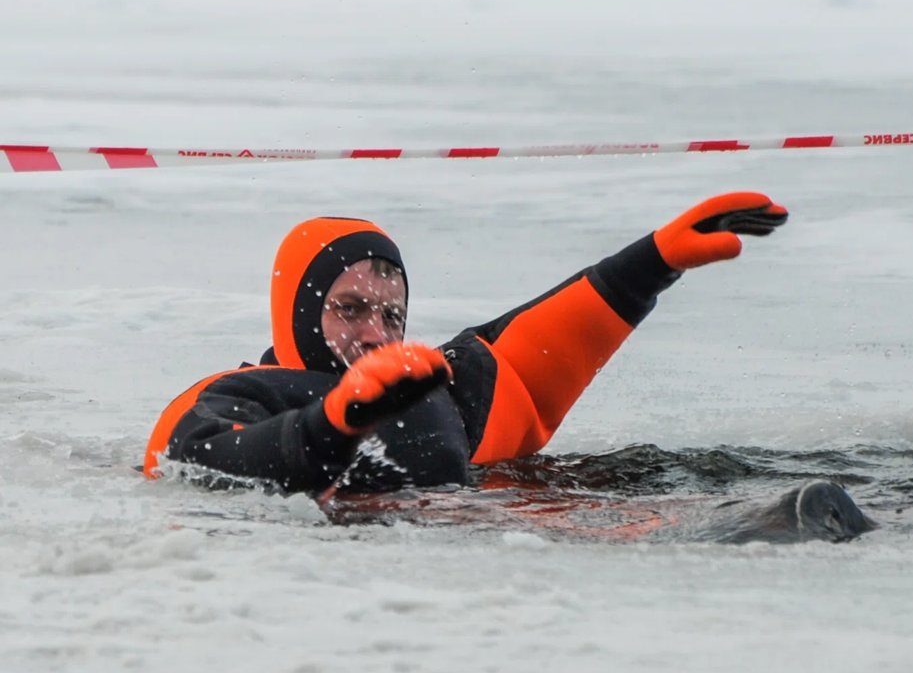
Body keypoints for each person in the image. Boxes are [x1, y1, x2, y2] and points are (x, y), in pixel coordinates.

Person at [143, 192, 789, 497]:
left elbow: (532, 358)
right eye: (349, 309)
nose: (375, 332)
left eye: (391, 315)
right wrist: (334, 422)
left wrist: (653, 263)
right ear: (298, 311)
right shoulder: (237, 395)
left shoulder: (436, 388)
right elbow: (192, 461)